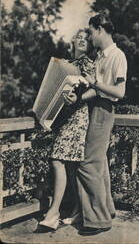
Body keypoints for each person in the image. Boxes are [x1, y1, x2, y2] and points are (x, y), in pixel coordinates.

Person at [34, 28, 96, 233]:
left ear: (91, 43)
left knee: (57, 159)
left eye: (86, 38)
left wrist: (77, 98)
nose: (81, 40)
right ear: (73, 41)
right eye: (78, 37)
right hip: (66, 118)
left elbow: (93, 89)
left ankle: (53, 214)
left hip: (77, 118)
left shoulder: (87, 62)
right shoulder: (69, 64)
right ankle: (78, 210)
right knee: (70, 166)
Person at [76, 13, 128, 236]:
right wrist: (78, 98)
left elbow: (119, 92)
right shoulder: (100, 56)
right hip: (95, 107)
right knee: (99, 164)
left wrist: (94, 82)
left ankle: (98, 220)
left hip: (104, 111)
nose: (89, 37)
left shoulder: (117, 55)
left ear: (100, 29)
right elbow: (95, 89)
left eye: (91, 32)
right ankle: (107, 209)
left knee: (86, 164)